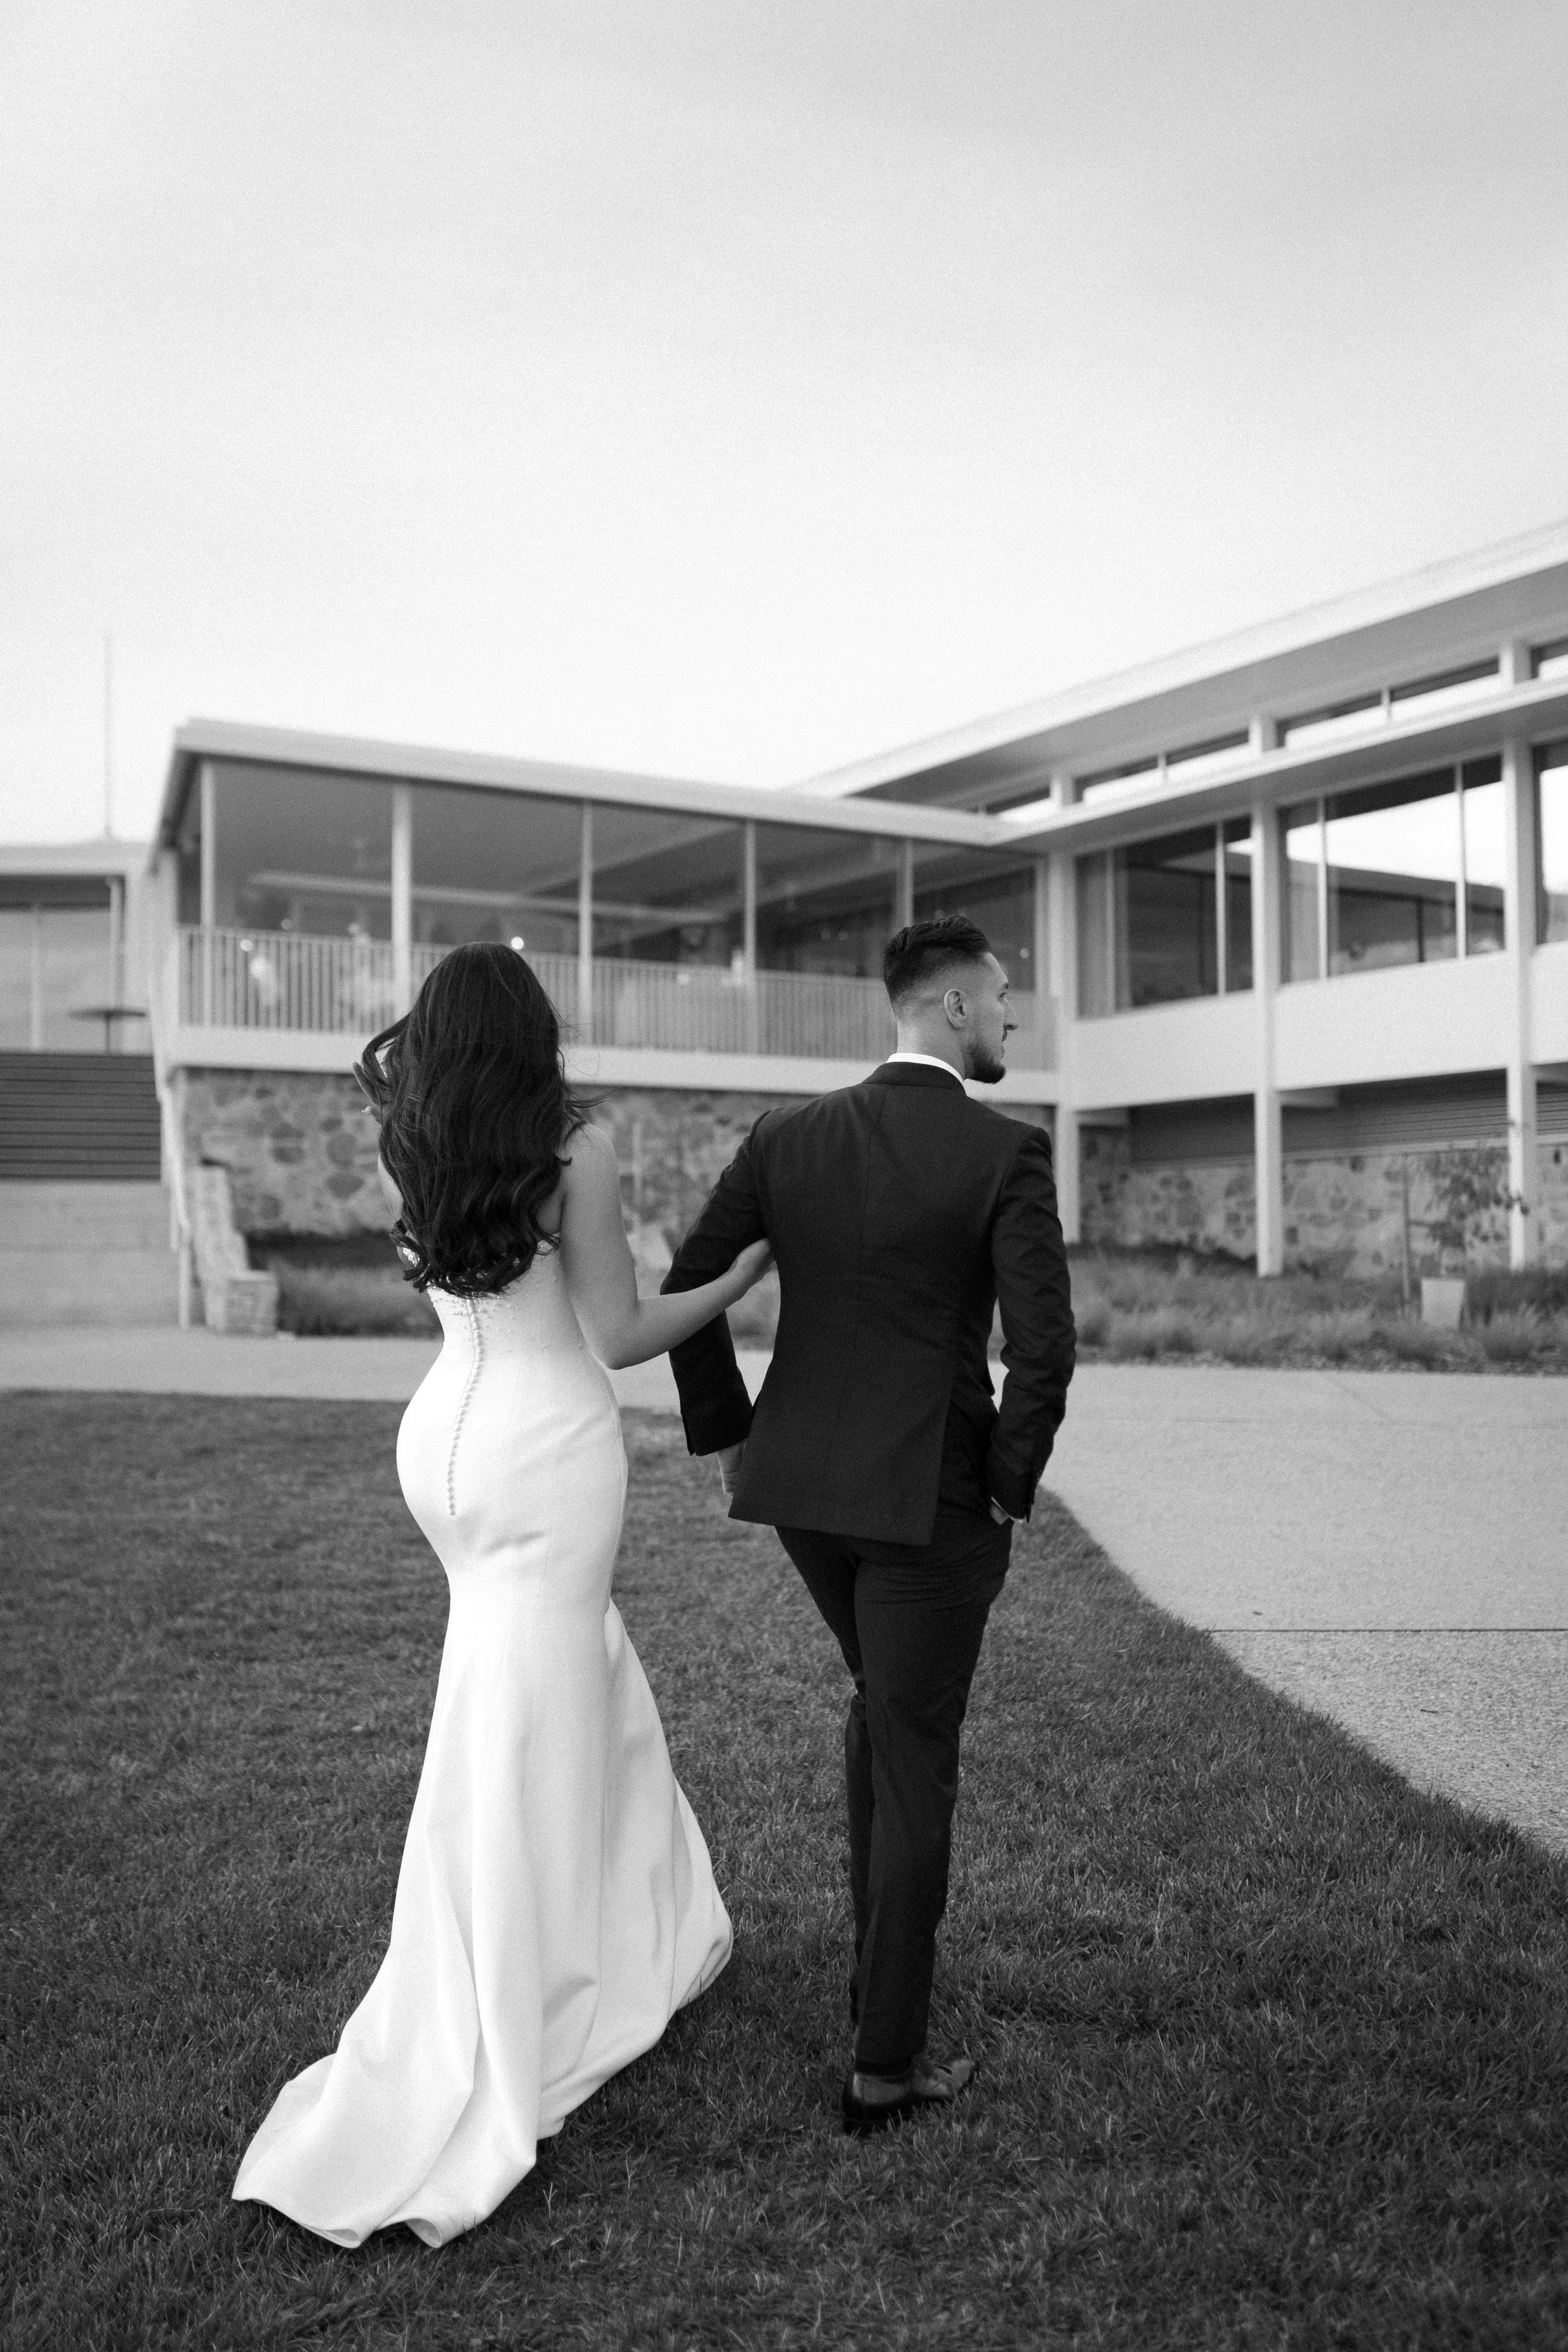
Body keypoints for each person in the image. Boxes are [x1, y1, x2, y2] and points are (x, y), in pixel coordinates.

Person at [233, 943, 772, 2247]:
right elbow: (620, 1335)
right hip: (546, 1451)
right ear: (531, 1030)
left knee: (544, 1688)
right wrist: (745, 1277)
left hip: (445, 1443)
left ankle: (640, 1922)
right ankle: (518, 1981)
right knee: (532, 1713)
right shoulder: (573, 1148)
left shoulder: (408, 1144)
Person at [660, 913, 1074, 2134]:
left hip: (808, 1501)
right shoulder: (1004, 1150)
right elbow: (1042, 1348)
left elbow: (688, 1290)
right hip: (925, 1512)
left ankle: (872, 2000)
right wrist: (1006, 1483)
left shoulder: (788, 1137)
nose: (1009, 1017)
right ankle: (883, 2063)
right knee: (911, 1757)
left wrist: (731, 1434)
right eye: (1000, 999)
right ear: (948, 1007)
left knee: (880, 1721)